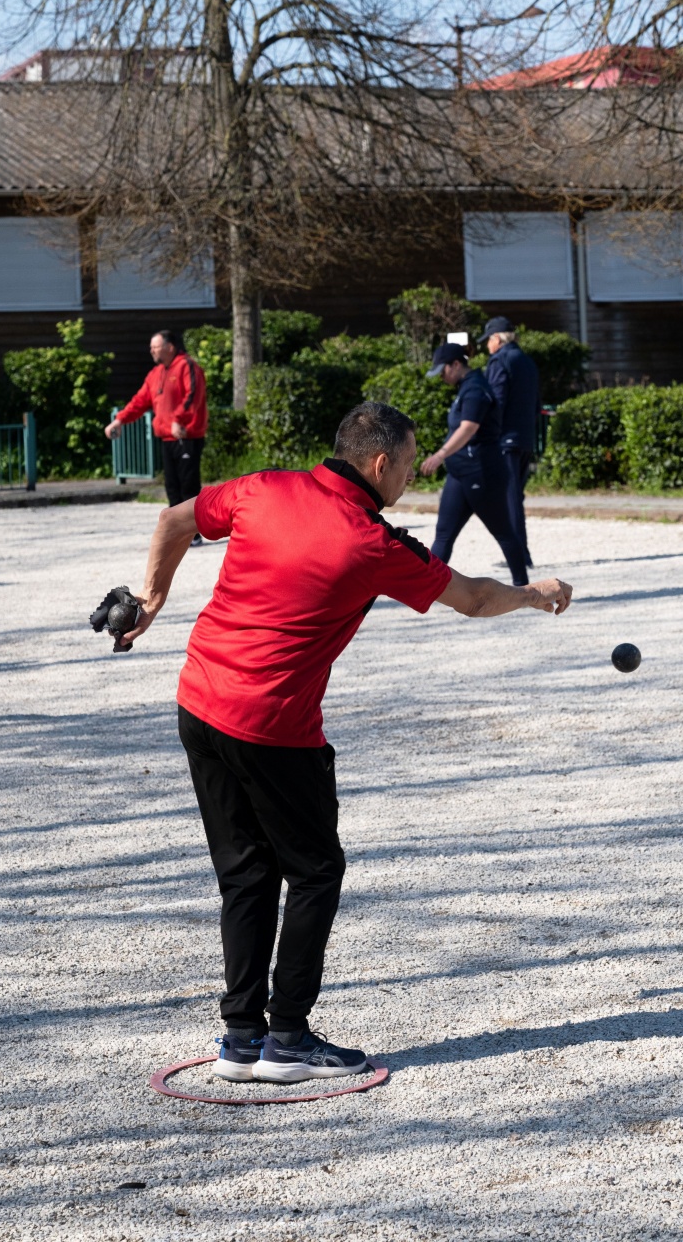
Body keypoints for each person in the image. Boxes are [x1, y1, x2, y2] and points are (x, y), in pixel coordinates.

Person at [116, 402, 572, 1082]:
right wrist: (534, 593)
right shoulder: (372, 542)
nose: (414, 475)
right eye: (411, 463)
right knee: (314, 871)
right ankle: (289, 1040)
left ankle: (241, 1040)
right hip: (272, 725)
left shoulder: (261, 487)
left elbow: (173, 519)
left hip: (199, 701)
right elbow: (473, 599)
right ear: (379, 463)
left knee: (245, 872)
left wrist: (151, 599)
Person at [420, 341, 530, 586]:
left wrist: (440, 455)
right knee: (444, 534)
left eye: (443, 371)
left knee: (504, 533)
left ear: (456, 365)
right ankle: (425, 588)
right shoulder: (465, 388)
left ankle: (523, 587)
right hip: (459, 474)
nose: (441, 377)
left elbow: (469, 427)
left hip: (483, 473)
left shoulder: (476, 389)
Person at [105, 330, 208, 545]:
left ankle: (194, 534)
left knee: (188, 486)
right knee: (171, 487)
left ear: (169, 347)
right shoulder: (155, 374)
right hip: (166, 438)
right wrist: (120, 420)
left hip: (185, 436)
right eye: (151, 347)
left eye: (156, 346)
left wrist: (179, 419)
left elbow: (193, 396)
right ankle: (178, 533)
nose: (151, 350)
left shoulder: (187, 366)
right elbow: (140, 401)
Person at [477, 317, 540, 571]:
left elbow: (496, 402)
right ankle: (520, 553)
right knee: (514, 496)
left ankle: (520, 556)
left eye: (488, 341)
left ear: (497, 339)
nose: (486, 347)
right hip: (526, 438)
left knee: (509, 498)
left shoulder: (500, 361)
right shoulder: (527, 361)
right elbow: (537, 404)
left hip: (505, 439)